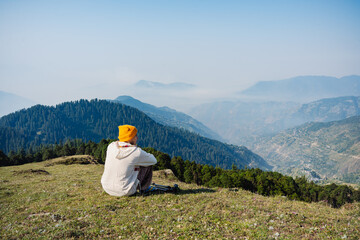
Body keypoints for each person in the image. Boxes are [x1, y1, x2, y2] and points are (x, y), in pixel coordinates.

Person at [101, 124, 157, 196]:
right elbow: (153, 160)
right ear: (130, 138)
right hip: (126, 191)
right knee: (147, 163)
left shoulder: (111, 146)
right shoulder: (136, 152)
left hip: (106, 187)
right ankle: (144, 188)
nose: (137, 137)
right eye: (135, 136)